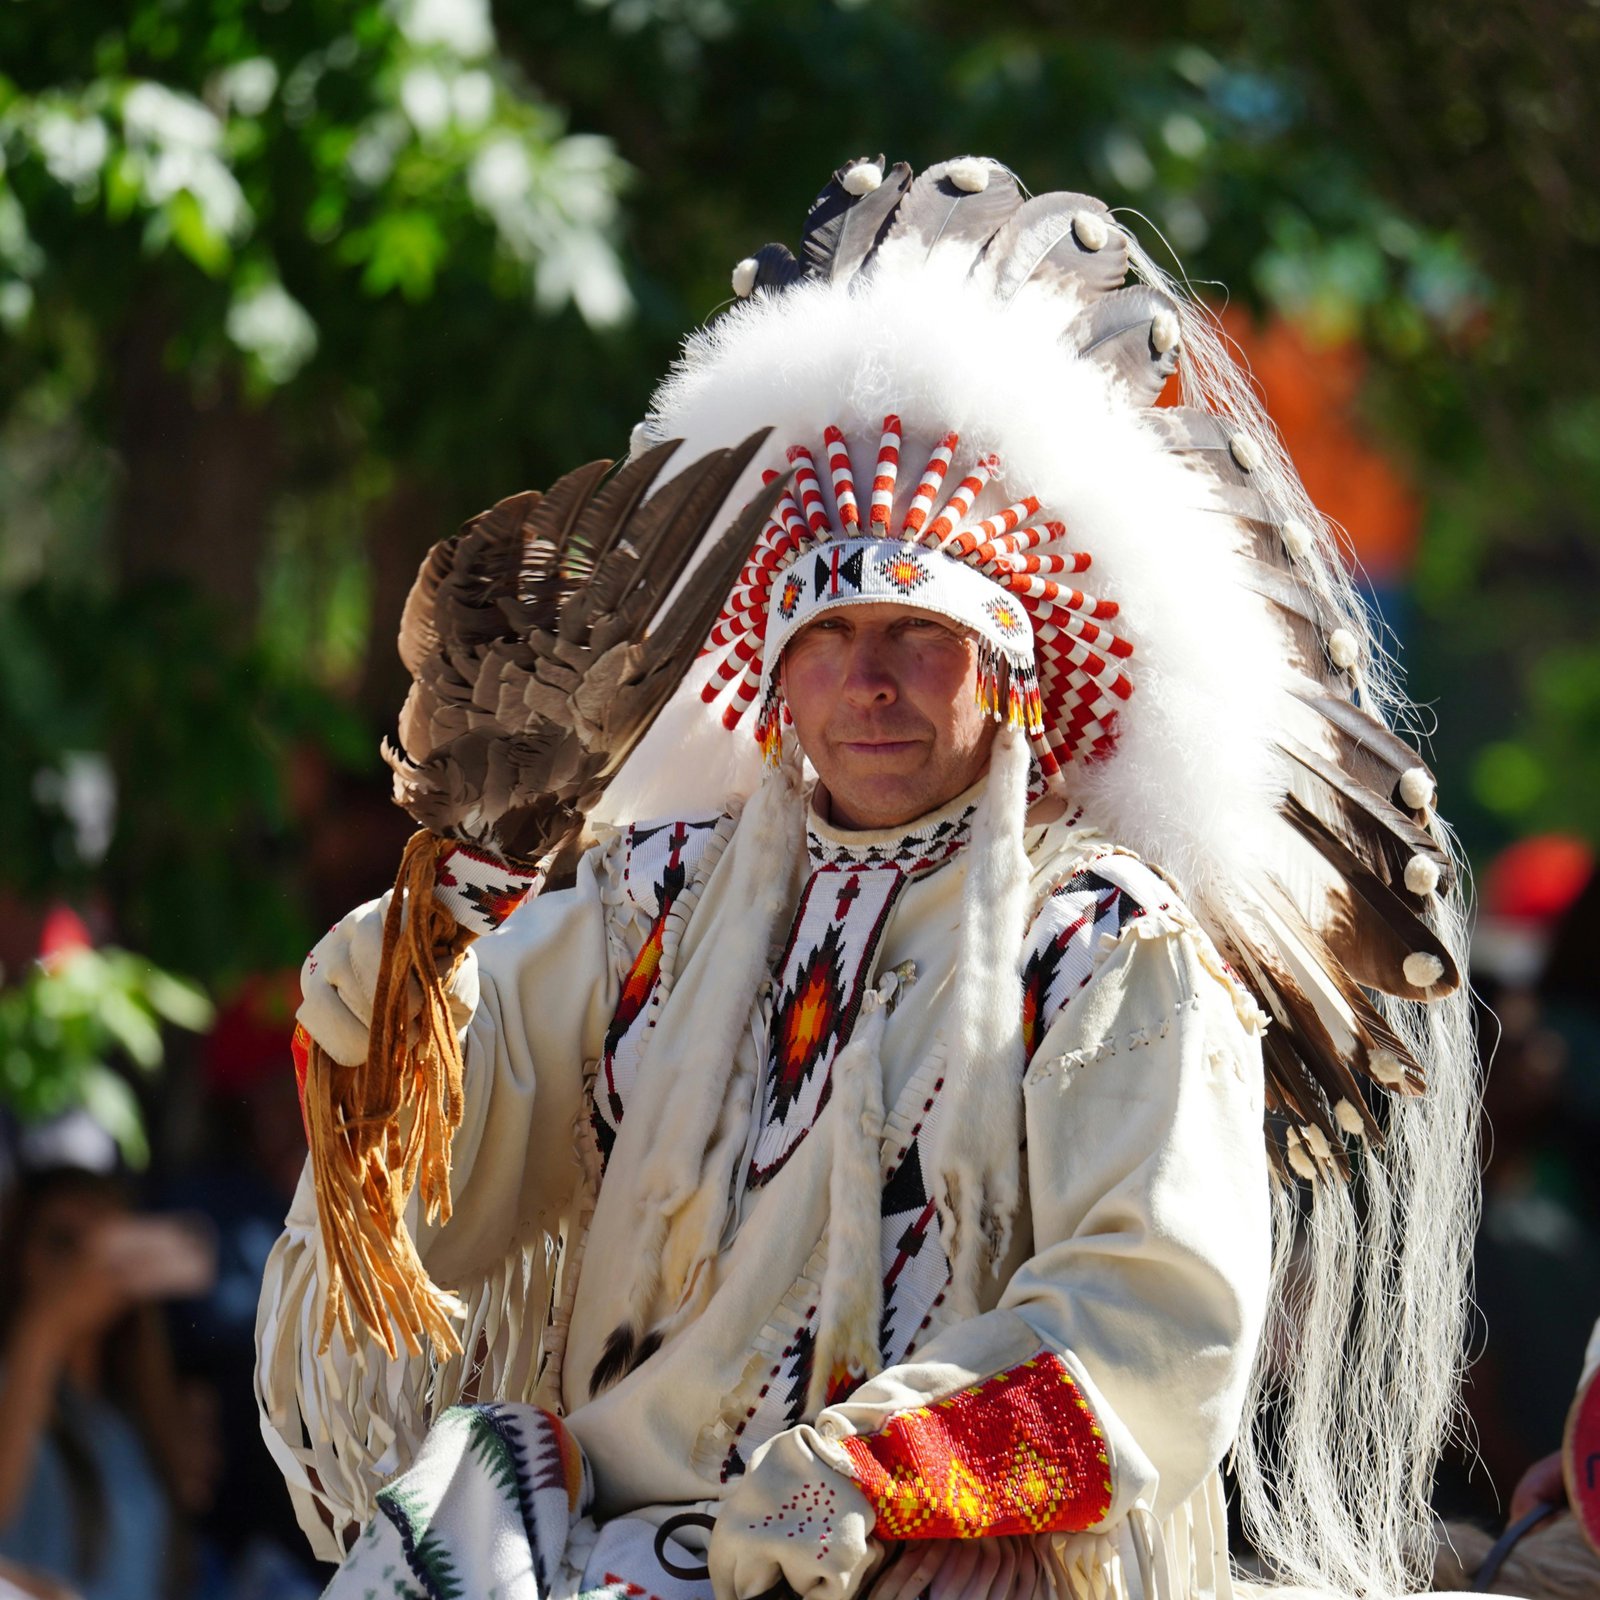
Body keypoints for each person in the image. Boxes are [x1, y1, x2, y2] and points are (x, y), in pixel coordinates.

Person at [256, 156, 1479, 1600]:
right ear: (774, 688)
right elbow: (449, 1178)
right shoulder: (650, 904)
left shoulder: (1098, 943)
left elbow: (1157, 1321)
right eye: (830, 641)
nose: (873, 682)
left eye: (922, 635)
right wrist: (399, 1014)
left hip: (941, 1550)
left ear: (1016, 682)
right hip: (620, 1536)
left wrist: (883, 1470)